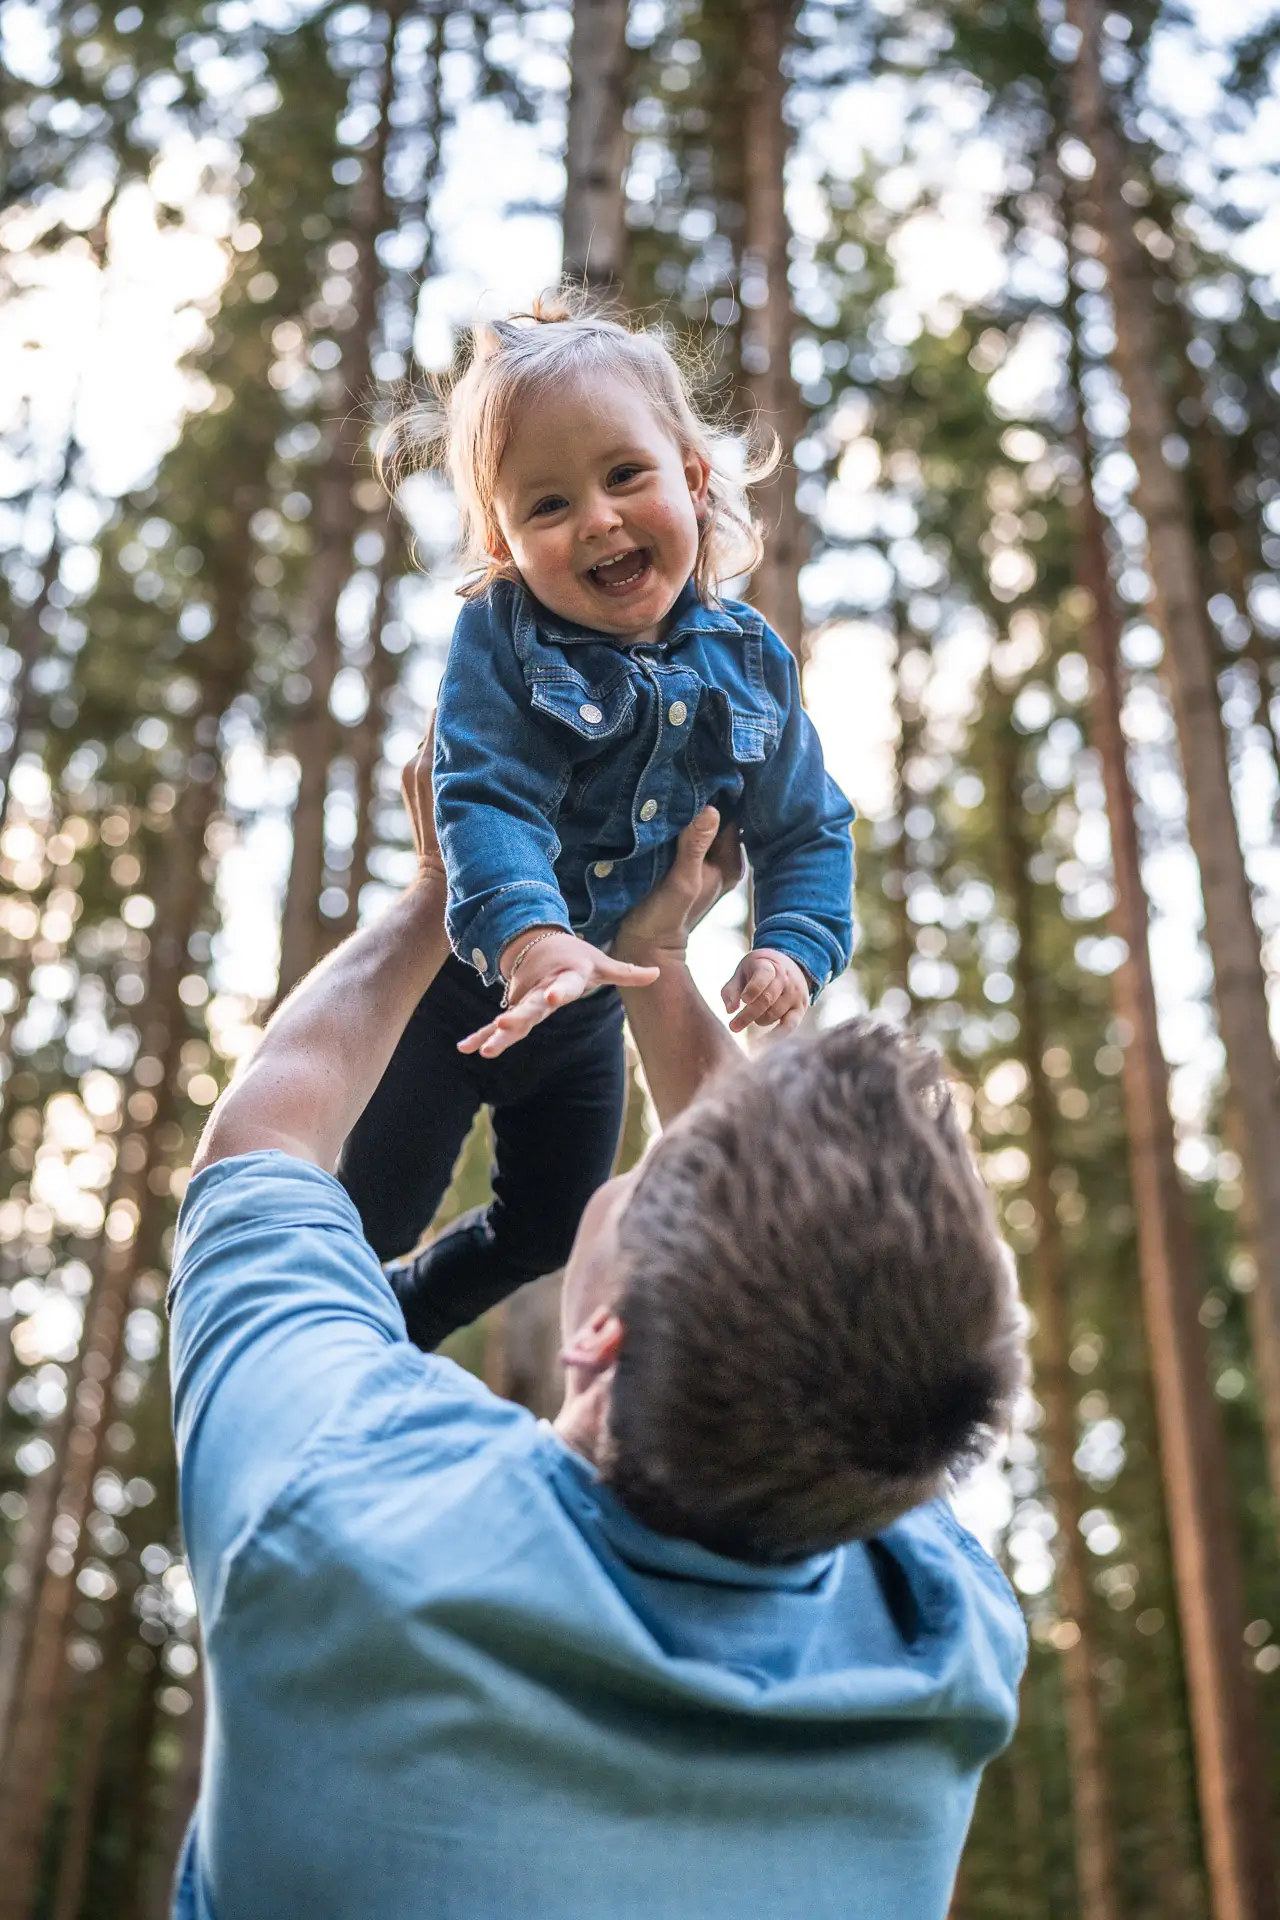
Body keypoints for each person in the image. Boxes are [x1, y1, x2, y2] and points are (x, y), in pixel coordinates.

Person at [168, 740, 1027, 1919]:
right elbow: (855, 1315)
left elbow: (264, 1140)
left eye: (657, 1172)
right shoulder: (938, 1639)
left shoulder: (338, 1509)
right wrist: (658, 956)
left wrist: (440, 888)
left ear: (599, 1343)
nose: (667, 1143)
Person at [338, 298, 855, 1350]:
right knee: (367, 1216)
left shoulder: (751, 665)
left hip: (583, 1022)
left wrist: (792, 946)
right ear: (503, 543)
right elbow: (483, 794)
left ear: (692, 480)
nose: (598, 520)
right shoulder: (498, 637)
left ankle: (402, 1326)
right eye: (548, 505)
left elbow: (807, 829)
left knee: (551, 1227)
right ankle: (334, 1330)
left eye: (625, 477)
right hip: (453, 995)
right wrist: (530, 940)